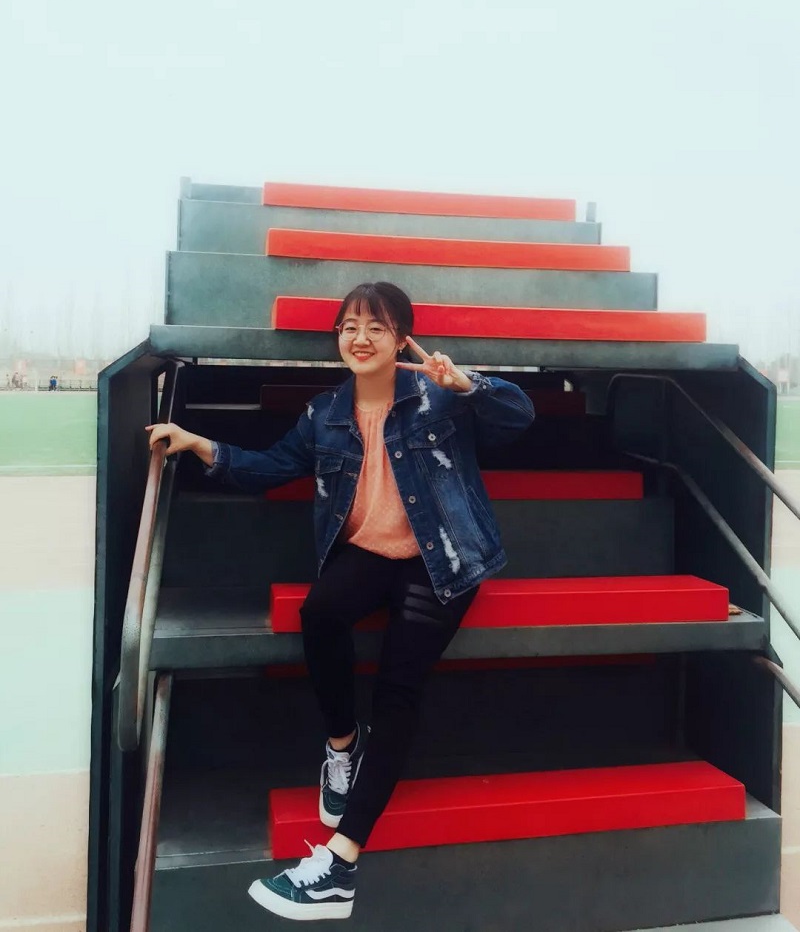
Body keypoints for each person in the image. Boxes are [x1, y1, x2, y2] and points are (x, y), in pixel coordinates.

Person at [146, 281, 534, 921]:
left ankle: (339, 864)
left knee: (398, 689)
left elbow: (519, 416)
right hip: (369, 553)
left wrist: (469, 385)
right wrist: (198, 444)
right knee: (319, 613)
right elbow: (271, 466)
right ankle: (342, 745)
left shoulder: (438, 394)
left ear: (401, 339)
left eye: (376, 327)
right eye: (350, 326)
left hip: (443, 556)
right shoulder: (324, 413)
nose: (360, 338)